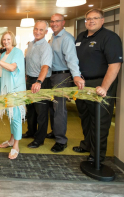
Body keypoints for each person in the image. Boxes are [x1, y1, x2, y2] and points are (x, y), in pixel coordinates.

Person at [73, 9, 123, 163]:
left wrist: (104, 87)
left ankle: (97, 156)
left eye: (95, 18)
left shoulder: (110, 38)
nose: (91, 21)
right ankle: (87, 145)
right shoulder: (81, 37)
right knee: (85, 117)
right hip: (82, 84)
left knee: (100, 120)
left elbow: (115, 65)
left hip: (100, 84)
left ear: (102, 20)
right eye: (88, 18)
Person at [48, 13, 85, 153]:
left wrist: (76, 76)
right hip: (53, 75)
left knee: (59, 109)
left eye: (57, 21)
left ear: (63, 23)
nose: (54, 23)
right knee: (53, 106)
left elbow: (72, 59)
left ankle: (61, 140)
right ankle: (55, 131)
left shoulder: (66, 38)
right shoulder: (53, 37)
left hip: (62, 76)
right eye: (52, 21)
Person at [0, 31, 26, 159]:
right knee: (10, 116)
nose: (6, 41)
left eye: (8, 39)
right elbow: (1, 73)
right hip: (5, 89)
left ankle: (16, 145)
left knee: (16, 117)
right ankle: (11, 140)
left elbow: (12, 68)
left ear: (13, 40)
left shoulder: (17, 52)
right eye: (4, 39)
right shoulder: (4, 54)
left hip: (15, 89)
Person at [22, 21, 53, 149]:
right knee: (31, 110)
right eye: (36, 29)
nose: (38, 32)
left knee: (41, 112)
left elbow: (45, 66)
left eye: (41, 30)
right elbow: (28, 62)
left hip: (41, 81)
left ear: (46, 32)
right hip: (30, 79)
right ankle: (31, 131)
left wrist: (39, 82)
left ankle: (39, 139)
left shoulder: (46, 47)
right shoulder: (31, 44)